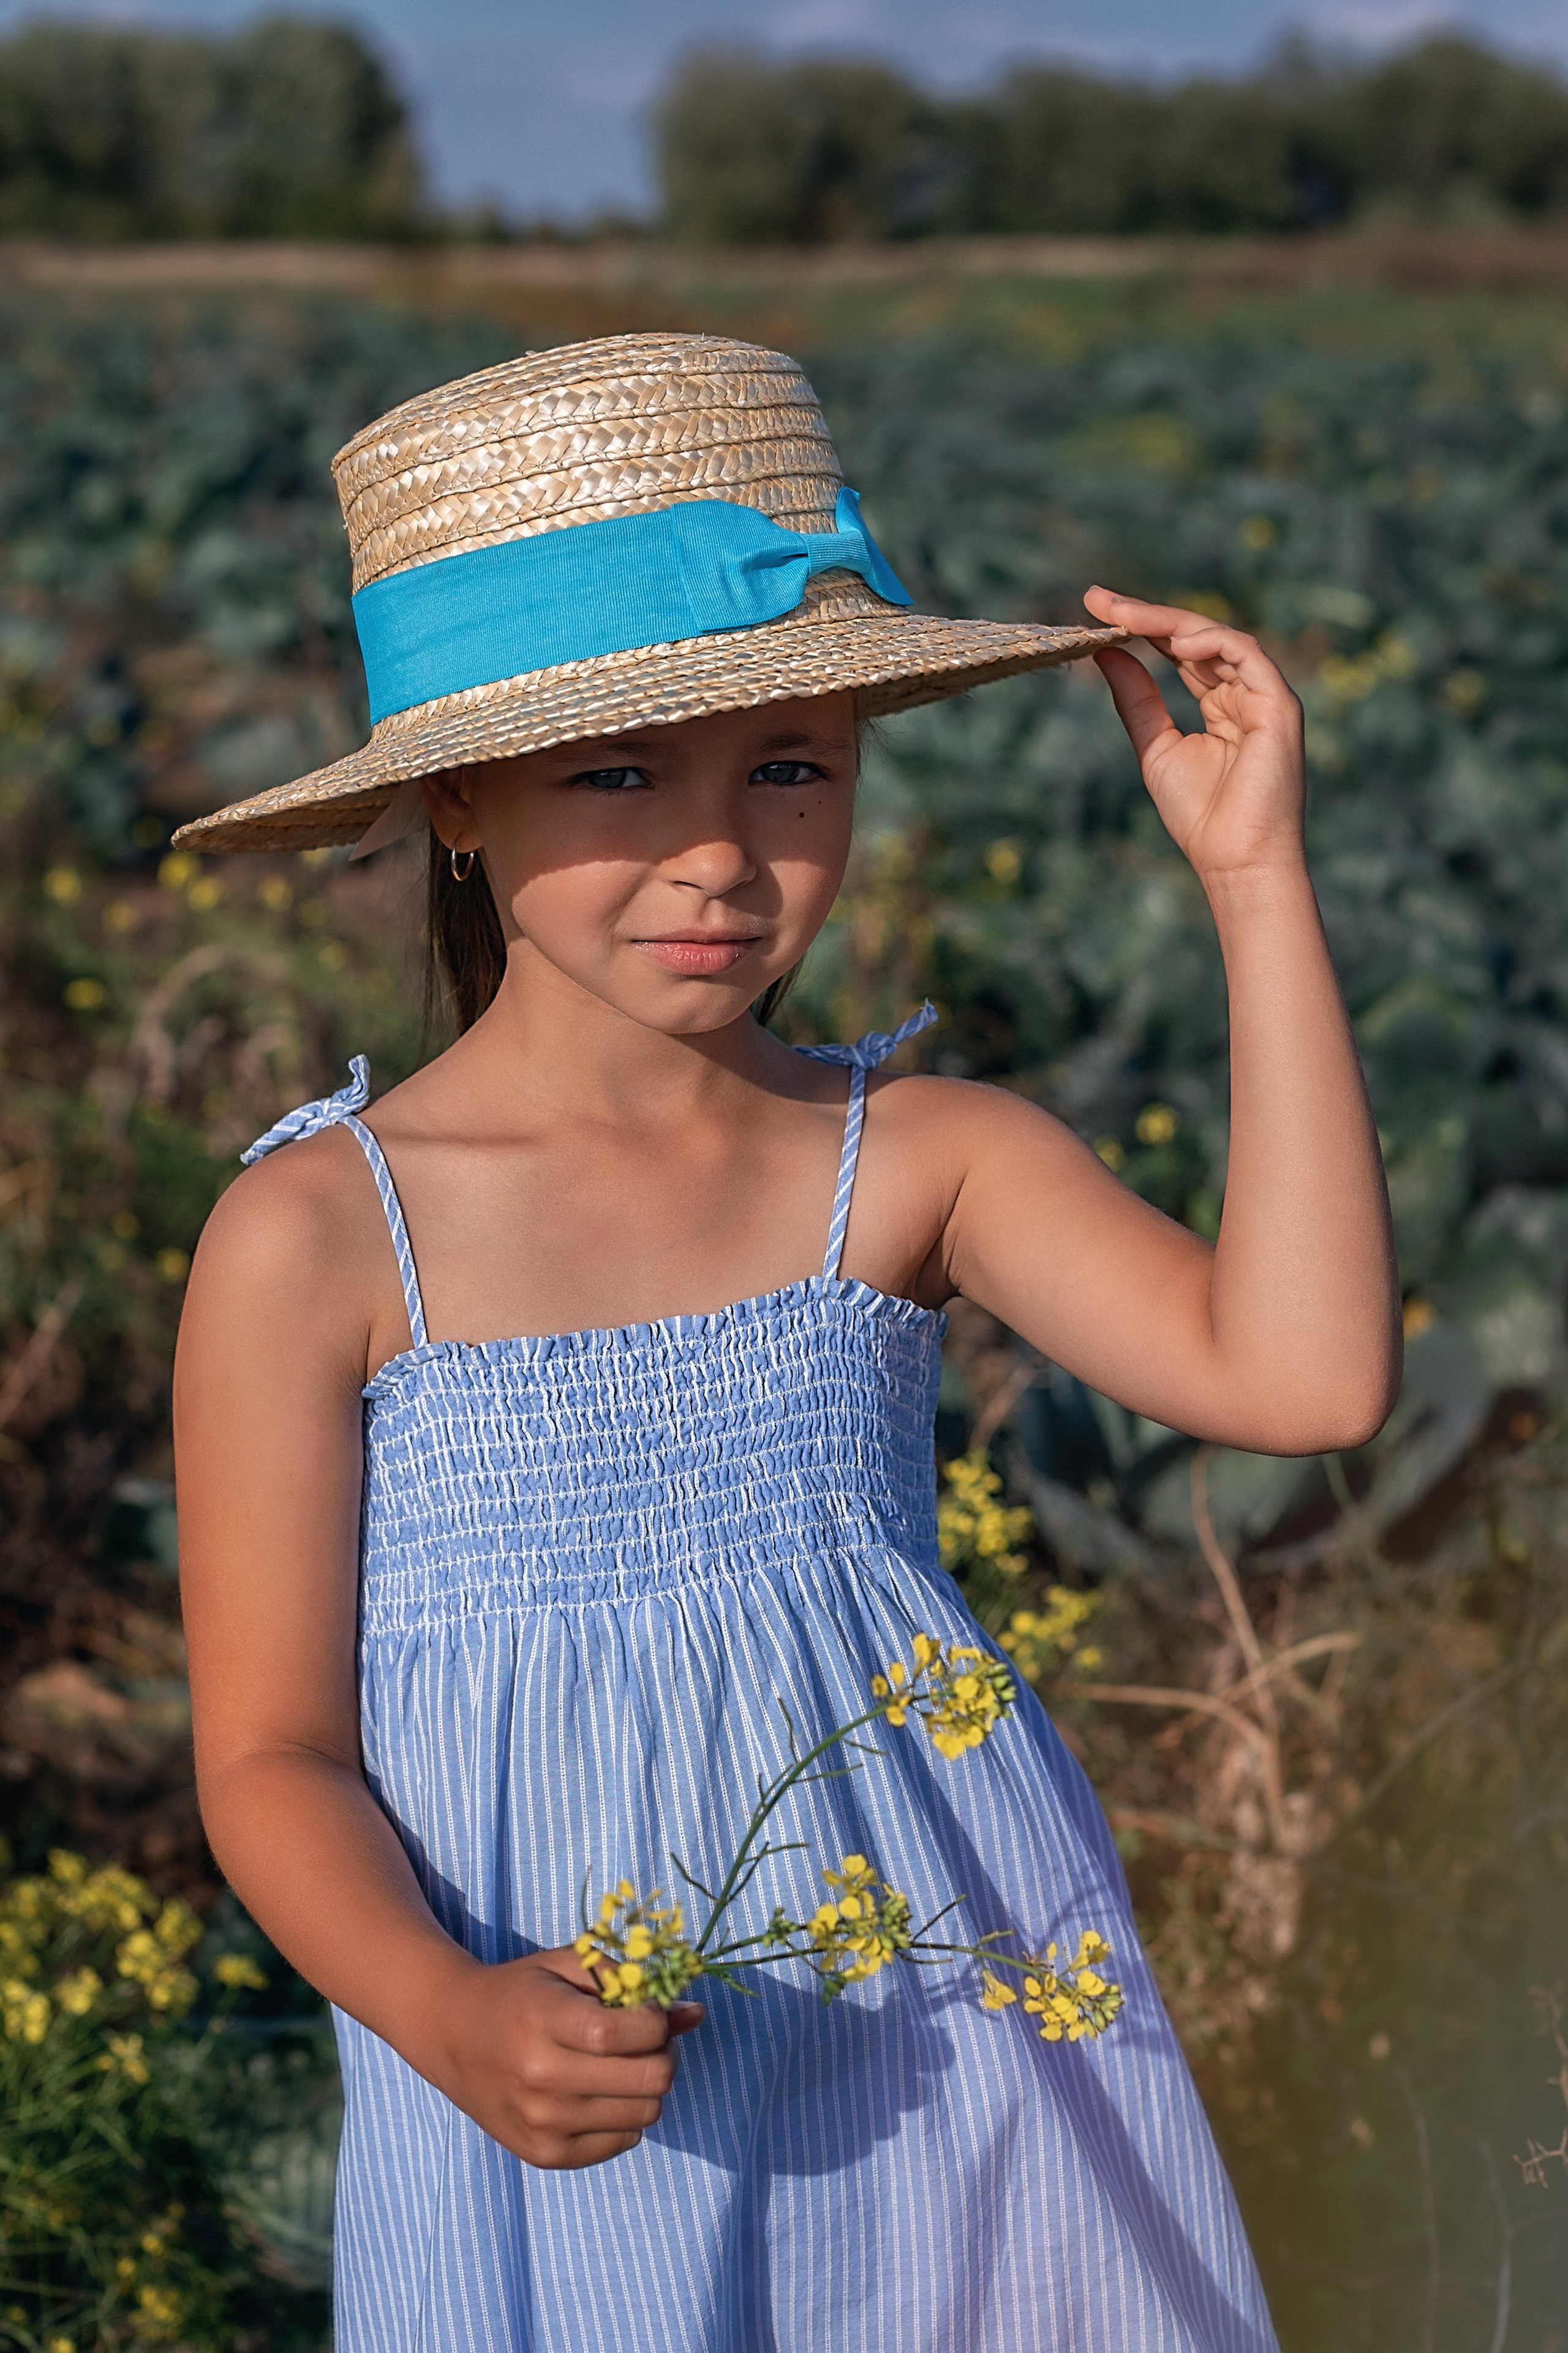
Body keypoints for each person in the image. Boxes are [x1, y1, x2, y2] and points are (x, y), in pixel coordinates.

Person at [172, 333, 1398, 2353]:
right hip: (559, 2073)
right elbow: (266, 1756)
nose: (725, 851)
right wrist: (449, 2009)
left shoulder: (916, 1161)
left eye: (796, 764)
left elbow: (1308, 1378)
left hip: (953, 2055)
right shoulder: (316, 1236)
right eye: (620, 768)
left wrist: (1256, 883)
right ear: (457, 799)